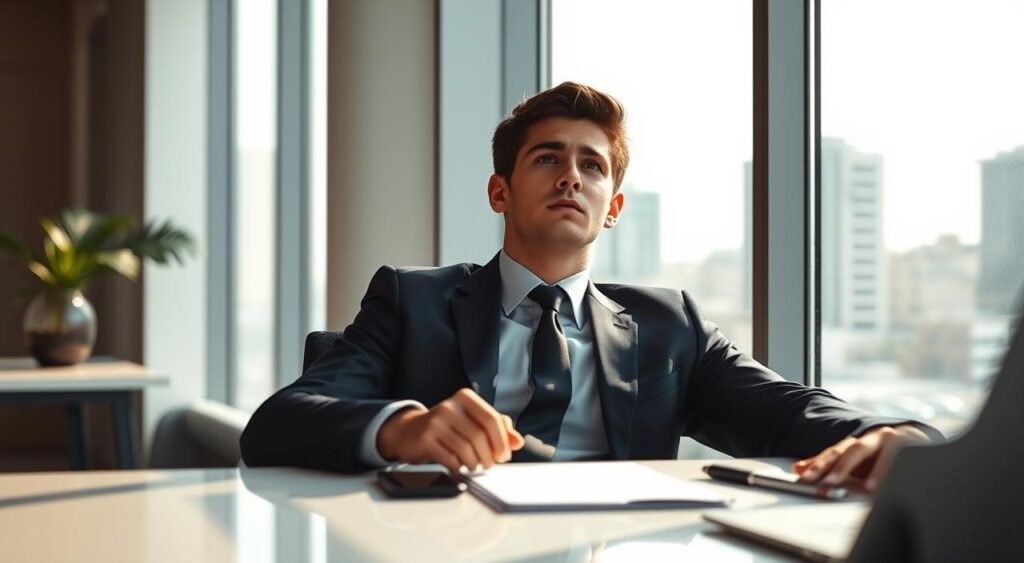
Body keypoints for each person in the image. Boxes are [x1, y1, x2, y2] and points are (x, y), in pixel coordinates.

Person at [240, 82, 939, 491]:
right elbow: (276, 422)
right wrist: (404, 427)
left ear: (612, 206)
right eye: (547, 158)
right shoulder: (410, 299)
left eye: (592, 165)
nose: (571, 175)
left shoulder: (671, 325)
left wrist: (894, 434)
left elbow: (787, 411)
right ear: (499, 191)